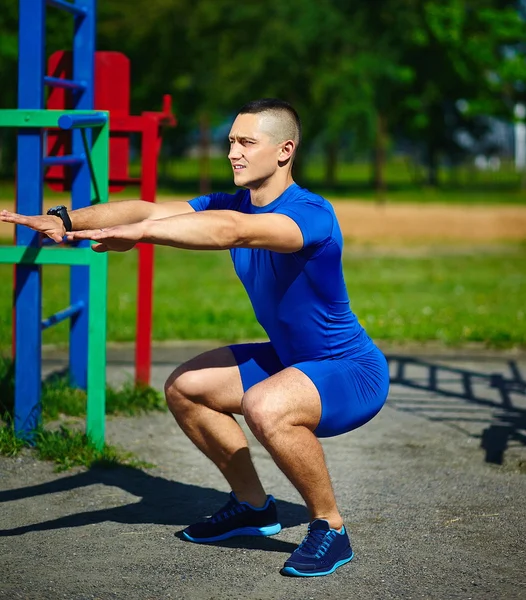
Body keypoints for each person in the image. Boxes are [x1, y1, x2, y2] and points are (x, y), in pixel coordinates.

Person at [0, 98, 390, 577]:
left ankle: (329, 528)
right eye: (231, 142)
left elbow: (235, 233)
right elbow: (151, 207)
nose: (233, 153)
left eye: (247, 142)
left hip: (350, 371)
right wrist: (66, 220)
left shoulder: (311, 214)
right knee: (186, 388)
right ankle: (253, 507)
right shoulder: (234, 201)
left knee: (266, 406)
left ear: (284, 150)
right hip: (294, 361)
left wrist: (141, 233)